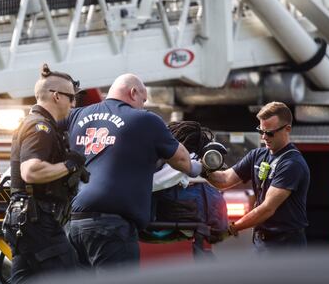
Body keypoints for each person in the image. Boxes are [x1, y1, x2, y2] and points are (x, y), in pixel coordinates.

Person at [64, 73, 202, 270]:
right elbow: (181, 159)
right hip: (111, 227)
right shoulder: (145, 119)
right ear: (133, 92)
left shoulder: (77, 115)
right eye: (143, 100)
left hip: (73, 225)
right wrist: (197, 167)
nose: (143, 106)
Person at [4, 64, 88, 283]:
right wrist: (69, 166)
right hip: (38, 220)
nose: (74, 104)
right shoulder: (41, 127)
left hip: (28, 220)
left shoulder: (36, 124)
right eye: (71, 98)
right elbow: (31, 171)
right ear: (56, 96)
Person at [205, 102, 310, 252]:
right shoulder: (257, 155)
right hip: (262, 241)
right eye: (261, 131)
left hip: (286, 246)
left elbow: (267, 209)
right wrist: (199, 168)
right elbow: (224, 180)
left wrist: (231, 229)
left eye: (270, 133)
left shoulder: (292, 163)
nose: (264, 137)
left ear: (287, 129)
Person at [149, 121, 228, 259]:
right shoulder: (189, 161)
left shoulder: (164, 156)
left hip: (155, 221)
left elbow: (154, 183)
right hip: (191, 224)